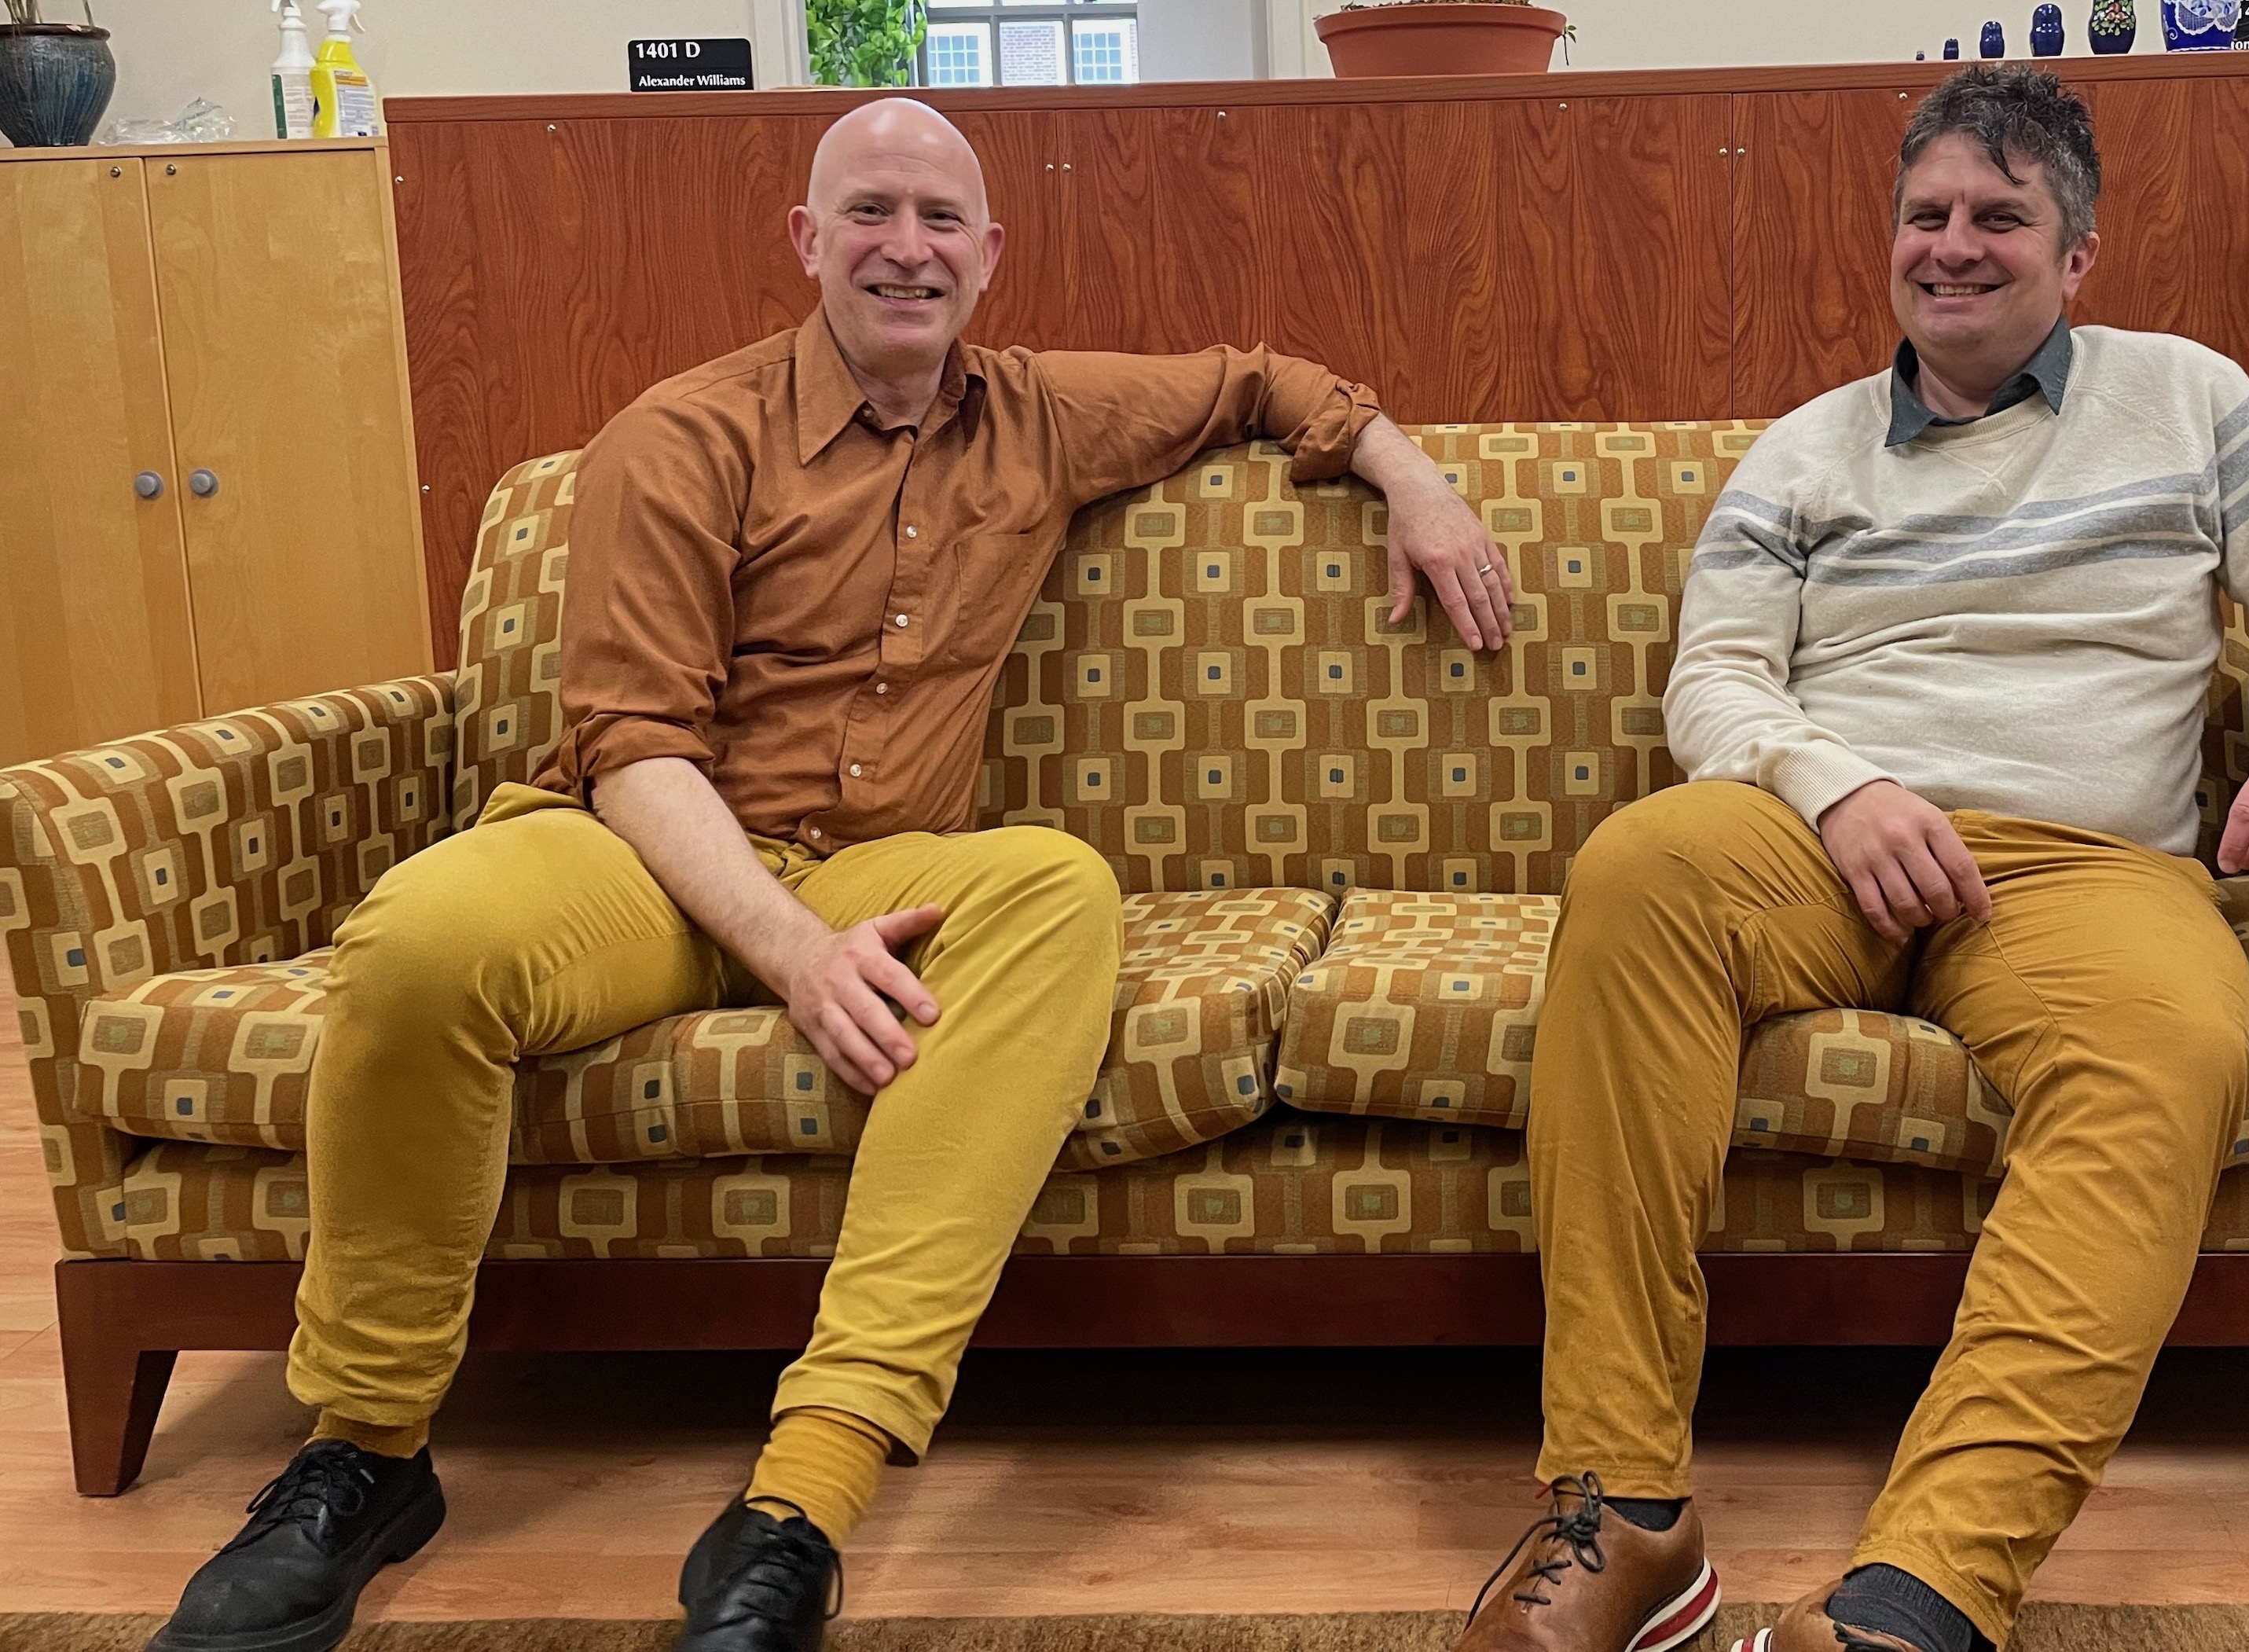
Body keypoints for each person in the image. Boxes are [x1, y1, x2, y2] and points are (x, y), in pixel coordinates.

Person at [146, 96, 1510, 1652]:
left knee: (1058, 888)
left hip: (892, 871)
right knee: (421, 934)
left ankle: (798, 1502)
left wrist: (1413, 474)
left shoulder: (1045, 414)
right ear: (807, 239)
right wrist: (793, 952)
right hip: (639, 859)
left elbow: (1266, 382)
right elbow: (637, 751)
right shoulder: (680, 433)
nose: (907, 249)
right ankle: (363, 1454)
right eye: (871, 212)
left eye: (941, 221)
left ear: (990, 256)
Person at [1451, 64, 2249, 1652]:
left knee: (2179, 1035)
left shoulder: (2191, 400)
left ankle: (1922, 1589)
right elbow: (1716, 681)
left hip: (2089, 867)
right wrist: (1837, 787)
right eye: (1927, 214)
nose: (1953, 245)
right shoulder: (1808, 451)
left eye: (1999, 216)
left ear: (2077, 255)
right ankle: (1623, 1510)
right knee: (1633, 875)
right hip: (1818, 838)